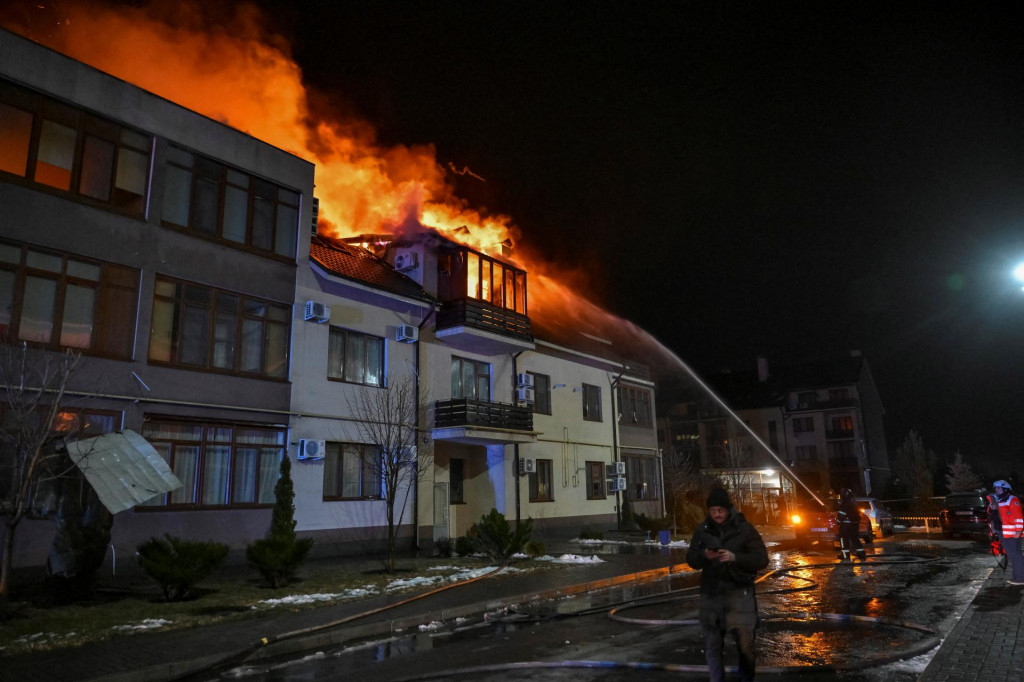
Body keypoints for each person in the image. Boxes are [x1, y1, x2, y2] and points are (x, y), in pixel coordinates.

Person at [686, 487, 769, 682]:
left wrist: (735, 557)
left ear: (728, 509)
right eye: (713, 510)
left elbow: (761, 559)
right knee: (713, 646)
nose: (716, 514)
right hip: (711, 598)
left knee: (745, 647)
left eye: (720, 510)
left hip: (740, 597)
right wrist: (704, 556)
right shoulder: (702, 530)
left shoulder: (744, 529)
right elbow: (691, 558)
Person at [992, 480, 1024, 585]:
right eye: (995, 488)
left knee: (1015, 555)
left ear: (1006, 489)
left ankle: (1020, 579)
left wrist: (1018, 531)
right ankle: (1017, 577)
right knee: (1014, 555)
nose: (997, 490)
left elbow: (1018, 517)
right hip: (1003, 532)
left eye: (999, 488)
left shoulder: (1012, 499)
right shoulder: (998, 501)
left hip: (1011, 533)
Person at [837, 488, 866, 562]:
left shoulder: (844, 504)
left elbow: (841, 516)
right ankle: (861, 553)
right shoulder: (853, 503)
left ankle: (845, 555)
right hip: (854, 525)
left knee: (843, 540)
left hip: (846, 526)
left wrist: (838, 521)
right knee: (855, 539)